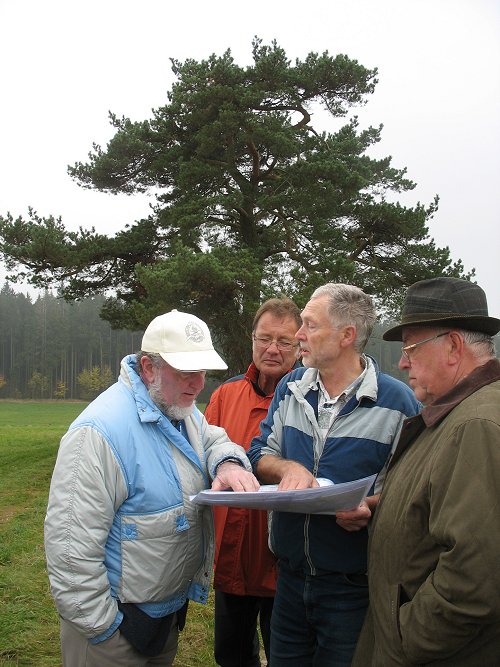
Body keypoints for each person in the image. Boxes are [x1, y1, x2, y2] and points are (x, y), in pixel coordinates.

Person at [44, 309, 259, 667]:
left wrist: (228, 462)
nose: (199, 383)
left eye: (203, 372)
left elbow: (213, 439)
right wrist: (104, 631)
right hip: (112, 635)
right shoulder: (97, 434)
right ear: (148, 368)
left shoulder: (180, 410)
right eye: (186, 372)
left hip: (163, 621)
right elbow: (69, 550)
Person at [247, 283, 420, 667]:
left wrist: (370, 506)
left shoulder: (398, 403)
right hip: (289, 580)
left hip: (353, 588)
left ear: (347, 336)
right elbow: (259, 454)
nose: (298, 336)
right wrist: (289, 467)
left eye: (309, 325)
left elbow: (411, 490)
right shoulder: (290, 388)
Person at [352, 277, 500, 667]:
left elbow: (475, 575)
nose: (402, 362)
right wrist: (387, 508)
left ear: (453, 346)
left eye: (411, 348)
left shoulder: (476, 425)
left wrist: (406, 637)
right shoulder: (454, 415)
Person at [205, 297, 302, 667]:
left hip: (283, 563)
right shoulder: (225, 395)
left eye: (284, 341)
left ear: (300, 345)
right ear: (252, 340)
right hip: (233, 559)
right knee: (230, 655)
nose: (272, 350)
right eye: (264, 339)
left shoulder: (307, 399)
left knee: (285, 656)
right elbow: (203, 457)